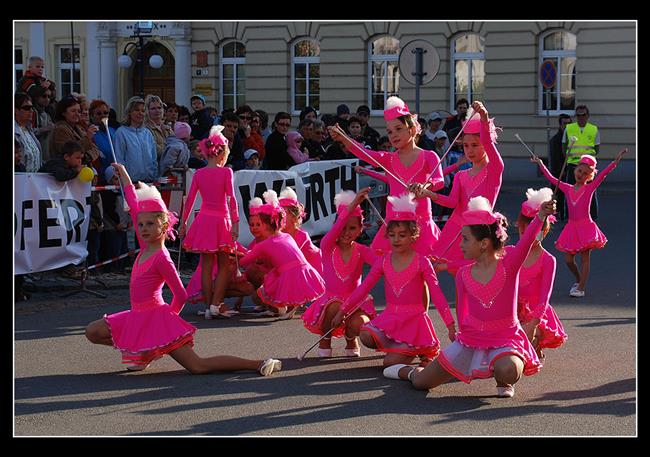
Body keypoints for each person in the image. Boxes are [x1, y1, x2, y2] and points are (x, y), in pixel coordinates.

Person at [84, 162, 282, 376]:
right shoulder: (143, 247)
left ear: (164, 225)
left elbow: (180, 294)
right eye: (141, 225)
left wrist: (165, 324)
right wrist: (124, 175)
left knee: (198, 366)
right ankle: (146, 350)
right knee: (93, 332)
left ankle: (258, 363)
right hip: (137, 316)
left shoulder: (162, 258)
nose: (143, 229)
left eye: (150, 224)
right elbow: (133, 204)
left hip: (157, 317)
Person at [384, 196, 556, 399]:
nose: (460, 245)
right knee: (421, 383)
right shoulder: (464, 274)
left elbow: (526, 242)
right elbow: (462, 309)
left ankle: (503, 380)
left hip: (505, 339)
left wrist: (541, 216)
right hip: (470, 340)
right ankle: (410, 371)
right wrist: (459, 333)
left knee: (508, 368)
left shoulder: (508, 266)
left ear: (484, 243)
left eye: (465, 239)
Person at [339, 193, 456, 369]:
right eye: (392, 235)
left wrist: (450, 325)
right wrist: (343, 311)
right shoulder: (384, 261)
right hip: (391, 317)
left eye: (402, 235)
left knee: (389, 364)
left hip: (414, 320)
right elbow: (363, 288)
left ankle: (420, 347)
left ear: (414, 236)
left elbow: (437, 294)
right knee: (365, 335)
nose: (396, 239)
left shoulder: (422, 261)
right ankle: (405, 348)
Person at [328, 96, 445, 257]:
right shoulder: (388, 159)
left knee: (422, 274)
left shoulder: (429, 156)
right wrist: (344, 138)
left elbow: (439, 181)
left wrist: (425, 187)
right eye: (389, 132)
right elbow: (364, 153)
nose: (393, 135)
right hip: (394, 224)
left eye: (398, 129)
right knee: (393, 274)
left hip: (421, 225)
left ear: (411, 129)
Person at [414, 101, 504, 267]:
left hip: (479, 232)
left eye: (475, 145)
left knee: (475, 277)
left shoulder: (493, 170)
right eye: (466, 146)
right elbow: (453, 203)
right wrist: (429, 194)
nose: (469, 150)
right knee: (450, 273)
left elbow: (489, 142)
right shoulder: (461, 176)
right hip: (456, 228)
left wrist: (483, 118)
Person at [531, 149, 626, 297]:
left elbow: (602, 175)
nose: (580, 175)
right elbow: (552, 179)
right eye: (579, 171)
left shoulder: (589, 188)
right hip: (572, 227)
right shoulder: (567, 188)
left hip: (586, 226)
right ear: (575, 169)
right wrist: (541, 164)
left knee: (584, 258)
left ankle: (581, 288)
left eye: (585, 174)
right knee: (568, 259)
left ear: (589, 177)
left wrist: (615, 161)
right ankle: (578, 280)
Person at [301, 188, 378, 357]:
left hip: (355, 301)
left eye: (352, 228)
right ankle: (325, 340)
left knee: (360, 324)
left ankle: (351, 339)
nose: (346, 232)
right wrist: (354, 204)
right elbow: (336, 230)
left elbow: (382, 265)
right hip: (332, 301)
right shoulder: (328, 246)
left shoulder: (362, 250)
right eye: (342, 227)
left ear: (360, 229)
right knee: (334, 305)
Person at [179, 126, 240, 320]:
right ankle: (216, 303)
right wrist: (236, 222)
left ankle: (208, 306)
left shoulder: (199, 174)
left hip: (204, 220)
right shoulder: (226, 173)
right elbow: (232, 199)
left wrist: (183, 223)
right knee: (224, 265)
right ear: (222, 152)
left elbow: (189, 200)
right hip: (221, 220)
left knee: (205, 265)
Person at [236, 190, 325, 317]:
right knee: (259, 275)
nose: (281, 216)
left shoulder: (299, 236)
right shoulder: (283, 236)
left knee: (275, 278)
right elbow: (256, 259)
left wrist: (238, 252)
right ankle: (280, 305)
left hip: (308, 267)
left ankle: (287, 304)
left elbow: (247, 260)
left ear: (294, 217)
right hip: (292, 270)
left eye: (284, 213)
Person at [513, 188, 568, 359]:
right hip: (512, 309)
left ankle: (535, 347)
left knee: (532, 338)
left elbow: (544, 298)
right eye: (524, 232)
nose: (528, 237)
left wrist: (533, 324)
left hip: (536, 312)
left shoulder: (548, 260)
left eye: (534, 233)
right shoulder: (511, 253)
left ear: (544, 231)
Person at [564, 105, 600, 220]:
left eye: (583, 114)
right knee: (570, 193)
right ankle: (568, 218)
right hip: (573, 166)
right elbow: (563, 145)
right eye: (578, 115)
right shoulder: (569, 128)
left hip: (588, 168)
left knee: (590, 193)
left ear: (587, 116)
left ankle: (592, 218)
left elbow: (597, 148)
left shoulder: (593, 129)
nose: (581, 117)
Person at [279, 186, 323, 276]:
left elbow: (286, 258)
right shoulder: (279, 235)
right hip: (297, 274)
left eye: (283, 213)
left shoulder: (302, 236)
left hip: (314, 274)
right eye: (278, 214)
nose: (279, 217)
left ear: (294, 217)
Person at [114, 96, 158, 183]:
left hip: (149, 182)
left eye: (143, 110)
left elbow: (153, 158)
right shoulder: (121, 132)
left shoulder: (147, 133)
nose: (140, 113)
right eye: (137, 110)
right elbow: (119, 158)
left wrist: (154, 175)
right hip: (131, 182)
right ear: (129, 112)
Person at [49, 95, 100, 165]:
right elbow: (68, 152)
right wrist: (87, 138)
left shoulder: (79, 128)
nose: (77, 114)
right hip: (66, 172)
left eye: (79, 111)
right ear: (63, 113)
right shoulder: (60, 130)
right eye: (73, 111)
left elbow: (96, 149)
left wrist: (86, 156)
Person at [99, 166, 131, 274]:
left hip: (123, 225)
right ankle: (112, 268)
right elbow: (109, 211)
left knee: (122, 249)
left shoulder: (121, 192)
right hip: (113, 227)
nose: (118, 181)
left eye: (119, 178)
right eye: (115, 179)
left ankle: (121, 267)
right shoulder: (108, 193)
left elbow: (126, 208)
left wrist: (128, 220)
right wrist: (117, 223)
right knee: (114, 249)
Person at [549, 114, 572, 221]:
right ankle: (557, 214)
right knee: (558, 195)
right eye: (565, 123)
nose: (567, 125)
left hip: (570, 170)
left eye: (569, 123)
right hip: (559, 171)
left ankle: (565, 214)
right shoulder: (556, 139)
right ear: (560, 125)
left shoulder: (571, 137)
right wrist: (559, 171)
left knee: (568, 195)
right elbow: (554, 157)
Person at [89, 99, 117, 178]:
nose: (103, 115)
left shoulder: (114, 131)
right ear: (92, 116)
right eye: (98, 113)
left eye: (105, 113)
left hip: (115, 175)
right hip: (100, 175)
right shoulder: (91, 133)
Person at [14, 92, 42, 172]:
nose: (31, 111)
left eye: (32, 108)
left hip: (33, 181)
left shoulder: (29, 130)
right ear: (16, 110)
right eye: (27, 108)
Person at [28, 85, 55, 162]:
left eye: (49, 97)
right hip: (37, 155)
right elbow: (29, 132)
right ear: (36, 97)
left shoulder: (47, 113)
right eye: (44, 96)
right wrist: (45, 129)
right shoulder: (32, 113)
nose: (47, 99)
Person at [144, 94, 174, 160]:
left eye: (159, 108)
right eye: (153, 108)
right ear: (147, 111)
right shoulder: (145, 129)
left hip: (171, 166)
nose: (157, 111)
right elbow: (154, 149)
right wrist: (173, 154)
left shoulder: (167, 128)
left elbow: (177, 145)